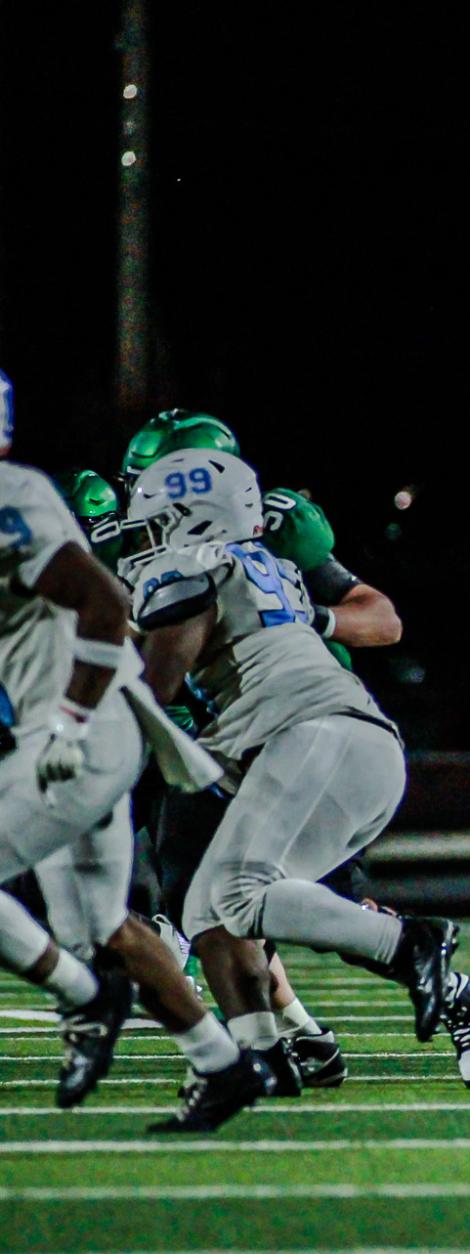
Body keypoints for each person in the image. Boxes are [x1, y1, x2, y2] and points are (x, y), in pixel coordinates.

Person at [104, 410, 470, 1091]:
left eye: (157, 497)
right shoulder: (237, 556)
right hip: (271, 743)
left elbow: (154, 682)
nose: (141, 513)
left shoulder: (198, 563)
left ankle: (415, 948)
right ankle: (270, 1051)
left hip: (302, 734)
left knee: (239, 894)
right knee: (206, 906)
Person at [0, 369, 273, 1128]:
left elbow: (103, 598)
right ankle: (222, 1068)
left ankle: (88, 999)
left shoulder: (9, 497)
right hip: (76, 725)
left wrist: (68, 722)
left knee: (86, 952)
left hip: (83, 726)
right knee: (106, 929)